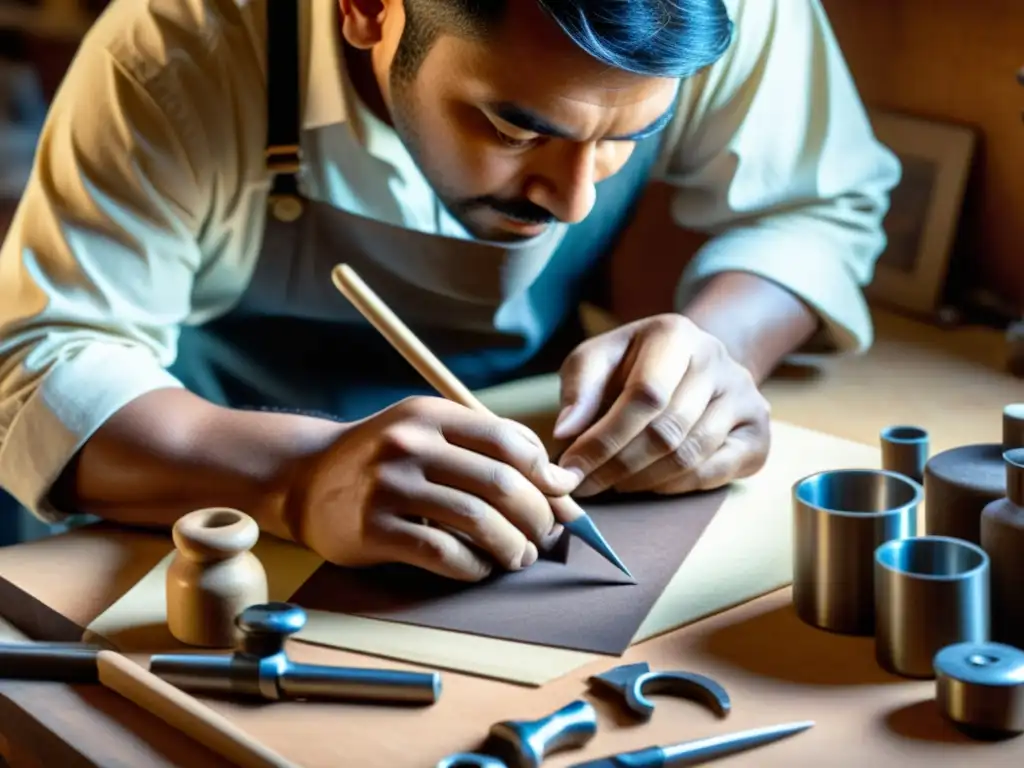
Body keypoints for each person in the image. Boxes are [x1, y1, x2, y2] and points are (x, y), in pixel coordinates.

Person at [0, 0, 900, 579]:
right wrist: (298, 481)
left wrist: (720, 349)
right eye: (515, 125)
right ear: (368, 10)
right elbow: (41, 368)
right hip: (196, 487)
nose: (577, 197)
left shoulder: (726, 10)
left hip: (524, 441)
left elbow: (818, 207)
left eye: (632, 134)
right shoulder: (178, 45)